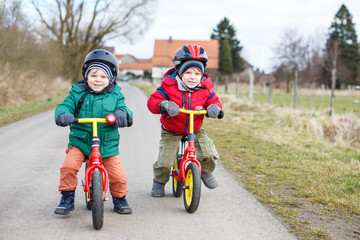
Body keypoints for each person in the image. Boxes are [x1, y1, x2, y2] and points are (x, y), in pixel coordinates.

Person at [54, 49, 133, 215]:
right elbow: (65, 105)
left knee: (118, 176)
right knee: (68, 166)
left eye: (103, 77)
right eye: (94, 75)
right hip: (80, 142)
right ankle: (67, 197)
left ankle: (119, 198)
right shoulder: (77, 92)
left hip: (107, 144)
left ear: (111, 79)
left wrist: (122, 114)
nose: (98, 80)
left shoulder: (116, 94)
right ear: (86, 76)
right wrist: (63, 114)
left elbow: (124, 109)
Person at [147, 44, 223, 197]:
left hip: (195, 128)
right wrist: (164, 105)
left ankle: (205, 171)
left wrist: (215, 108)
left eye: (197, 73)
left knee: (208, 152)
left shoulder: (205, 88)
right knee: (165, 161)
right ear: (179, 72)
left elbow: (214, 101)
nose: (193, 77)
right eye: (188, 72)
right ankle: (159, 181)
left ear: (202, 74)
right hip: (172, 129)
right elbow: (152, 102)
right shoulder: (168, 86)